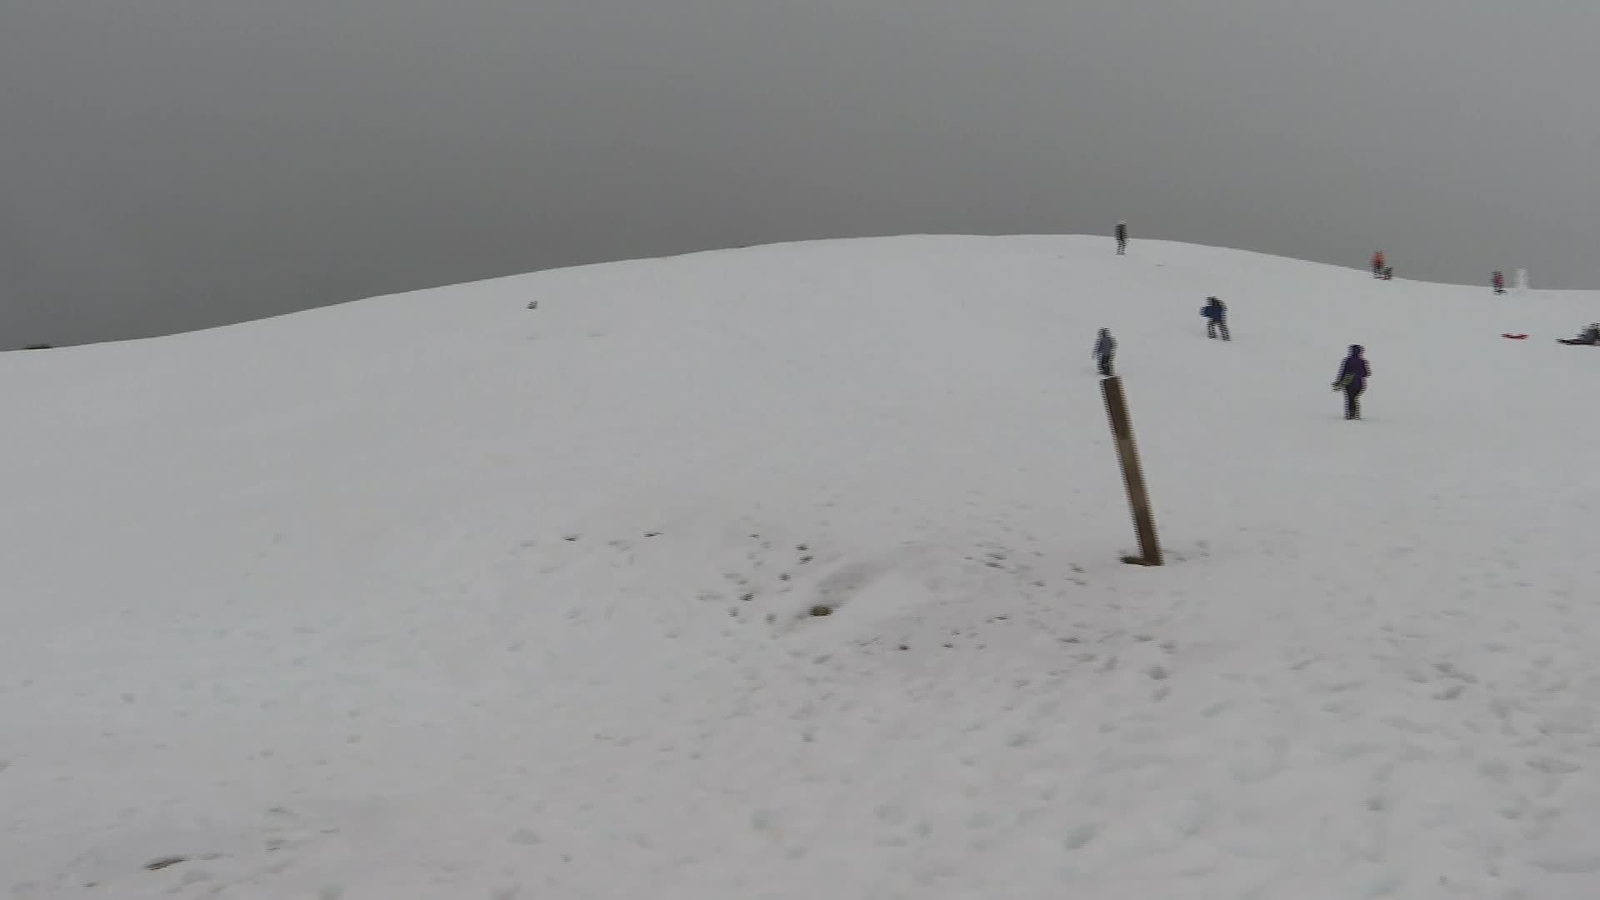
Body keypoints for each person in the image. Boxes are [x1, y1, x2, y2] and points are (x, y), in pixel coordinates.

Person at [1332, 345, 1370, 420]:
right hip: (1359, 383)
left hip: (1348, 382)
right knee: (1354, 398)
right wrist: (1358, 374)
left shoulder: (1347, 360)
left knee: (1350, 398)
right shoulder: (1363, 361)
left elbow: (1343, 372)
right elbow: (1366, 374)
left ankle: (1350, 415)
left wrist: (1339, 382)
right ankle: (1355, 415)